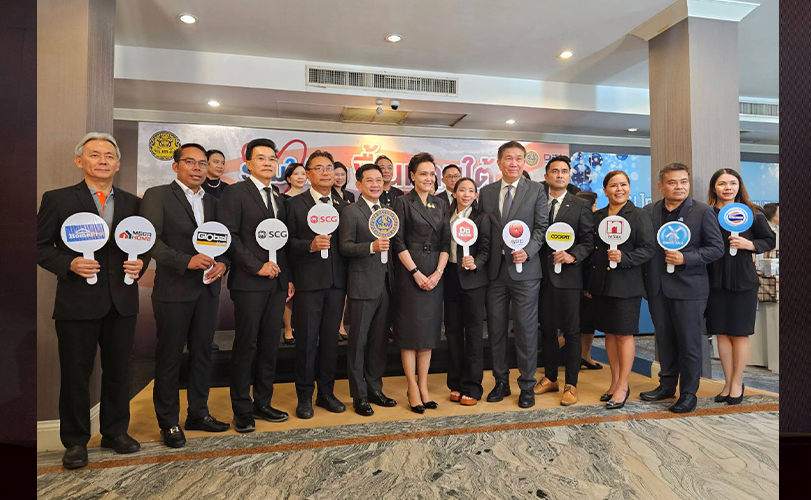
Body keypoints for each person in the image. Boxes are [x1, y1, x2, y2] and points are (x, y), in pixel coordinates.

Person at [37, 133, 147, 469]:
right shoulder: (57, 199)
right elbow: (38, 246)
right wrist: (68, 263)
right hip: (77, 302)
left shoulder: (133, 203)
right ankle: (75, 441)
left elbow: (142, 245)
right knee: (75, 374)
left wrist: (141, 265)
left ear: (118, 163)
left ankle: (115, 432)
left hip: (122, 302)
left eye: (109, 155)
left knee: (118, 371)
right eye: (95, 154)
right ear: (79, 161)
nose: (102, 160)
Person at [141, 143, 231, 448]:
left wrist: (224, 263)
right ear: (175, 166)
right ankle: (168, 422)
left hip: (207, 289)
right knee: (169, 357)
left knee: (203, 353)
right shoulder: (158, 195)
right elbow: (150, 240)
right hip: (173, 289)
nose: (197, 168)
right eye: (190, 162)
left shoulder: (214, 202)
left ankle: (198, 413)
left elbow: (224, 242)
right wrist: (185, 261)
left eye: (202, 163)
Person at [219, 138, 295, 433]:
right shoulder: (235, 192)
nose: (267, 163)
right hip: (249, 282)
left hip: (277, 284)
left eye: (272, 158)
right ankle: (242, 408)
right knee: (246, 345)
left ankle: (263, 402)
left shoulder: (278, 196)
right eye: (261, 158)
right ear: (248, 163)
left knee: (269, 345)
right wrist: (256, 266)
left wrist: (287, 278)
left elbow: (282, 241)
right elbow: (230, 236)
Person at [641, 163, 724, 414]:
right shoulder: (649, 211)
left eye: (684, 181)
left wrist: (686, 258)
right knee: (664, 340)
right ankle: (666, 385)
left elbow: (716, 248)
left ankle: (689, 393)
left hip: (689, 288)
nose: (679, 187)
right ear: (661, 186)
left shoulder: (702, 211)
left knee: (689, 342)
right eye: (673, 182)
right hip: (657, 288)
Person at [479, 141, 548, 408]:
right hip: (495, 272)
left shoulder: (536, 190)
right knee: (495, 329)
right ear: (499, 162)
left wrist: (527, 251)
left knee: (526, 329)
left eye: (519, 158)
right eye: (509, 158)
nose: (514, 163)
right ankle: (500, 381)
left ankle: (527, 385)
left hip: (526, 272)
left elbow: (542, 227)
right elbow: (483, 231)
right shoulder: (486, 192)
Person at [285, 150, 349, 419]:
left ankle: (326, 392)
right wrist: (309, 246)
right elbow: (287, 243)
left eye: (329, 168)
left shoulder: (344, 206)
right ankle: (304, 396)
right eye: (319, 168)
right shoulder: (294, 204)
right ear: (308, 174)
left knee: (330, 342)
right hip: (308, 282)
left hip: (336, 283)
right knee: (307, 341)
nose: (326, 172)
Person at [705, 169, 776, 405]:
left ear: (739, 186)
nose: (728, 187)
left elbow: (770, 240)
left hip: (743, 280)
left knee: (739, 333)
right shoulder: (707, 213)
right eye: (722, 183)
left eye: (732, 183)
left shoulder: (752, 213)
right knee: (721, 332)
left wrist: (749, 244)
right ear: (714, 187)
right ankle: (727, 382)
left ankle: (737, 382)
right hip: (714, 280)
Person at [589, 171, 655, 410]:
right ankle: (614, 381)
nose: (619, 189)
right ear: (605, 190)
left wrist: (624, 258)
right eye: (613, 185)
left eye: (624, 184)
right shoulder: (597, 216)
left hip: (627, 284)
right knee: (609, 334)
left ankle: (623, 386)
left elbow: (648, 249)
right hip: (602, 284)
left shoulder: (639, 215)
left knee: (624, 335)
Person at [392, 152, 450, 413]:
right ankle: (412, 387)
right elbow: (397, 241)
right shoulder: (402, 202)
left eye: (431, 174)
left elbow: (446, 243)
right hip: (409, 271)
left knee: (427, 334)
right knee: (410, 334)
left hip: (434, 271)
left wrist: (438, 273)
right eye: (423, 173)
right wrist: (415, 272)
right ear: (412, 176)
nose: (428, 178)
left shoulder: (441, 204)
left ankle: (424, 386)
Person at [338, 163, 398, 416]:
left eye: (378, 180)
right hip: (362, 285)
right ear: (359, 184)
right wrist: (370, 247)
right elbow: (344, 246)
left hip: (386, 284)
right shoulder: (351, 211)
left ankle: (375, 388)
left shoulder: (388, 211)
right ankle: (359, 395)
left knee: (378, 342)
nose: (375, 184)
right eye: (369, 180)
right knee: (358, 343)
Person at [535, 155, 594, 406]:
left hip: (569, 278)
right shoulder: (537, 202)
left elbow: (588, 241)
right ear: (546, 176)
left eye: (564, 171)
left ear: (569, 176)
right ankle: (550, 377)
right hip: (541, 276)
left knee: (571, 331)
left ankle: (571, 383)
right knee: (547, 330)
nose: (559, 175)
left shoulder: (580, 205)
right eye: (555, 171)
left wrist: (573, 256)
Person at [444, 177, 490, 405]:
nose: (466, 194)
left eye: (471, 191)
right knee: (452, 333)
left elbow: (485, 249)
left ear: (475, 195)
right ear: (454, 193)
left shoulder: (481, 218)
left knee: (473, 334)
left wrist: (476, 263)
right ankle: (455, 383)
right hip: (450, 278)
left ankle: (472, 386)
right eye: (462, 190)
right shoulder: (446, 216)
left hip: (473, 281)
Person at [202, 149, 227, 351]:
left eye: (222, 162)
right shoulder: (196, 187)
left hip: (219, 250)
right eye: (215, 161)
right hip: (194, 250)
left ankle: (206, 338)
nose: (219, 166)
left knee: (211, 296)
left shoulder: (229, 190)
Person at [575, 191, 602, 370]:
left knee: (585, 324)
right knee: (582, 324)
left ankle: (585, 356)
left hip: (575, 280)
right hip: (585, 281)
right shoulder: (592, 224)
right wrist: (588, 285)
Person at [280, 163, 306, 344]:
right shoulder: (283, 200)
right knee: (289, 293)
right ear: (288, 178)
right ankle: (288, 329)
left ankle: (299, 327)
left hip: (306, 252)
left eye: (303, 173)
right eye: (296, 174)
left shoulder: (310, 199)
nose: (300, 177)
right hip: (288, 251)